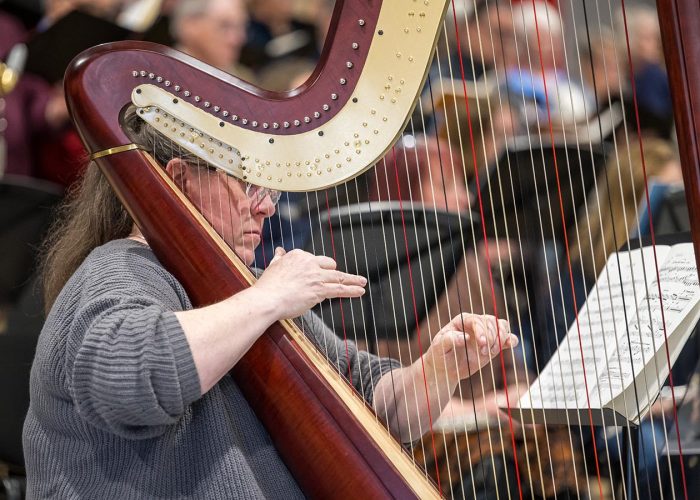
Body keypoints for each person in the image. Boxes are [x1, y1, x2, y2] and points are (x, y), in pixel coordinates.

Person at [22, 110, 519, 498]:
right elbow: (128, 379)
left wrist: (438, 368)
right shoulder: (117, 271)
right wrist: (268, 298)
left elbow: (376, 403)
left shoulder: (248, 289)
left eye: (268, 188)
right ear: (179, 180)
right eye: (247, 185)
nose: (265, 205)